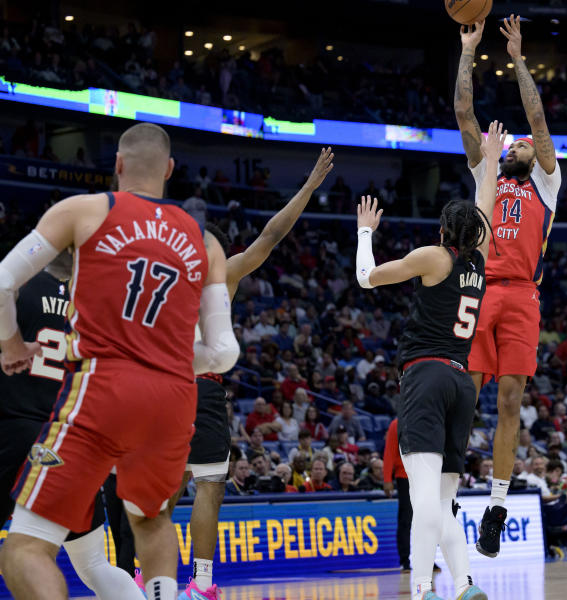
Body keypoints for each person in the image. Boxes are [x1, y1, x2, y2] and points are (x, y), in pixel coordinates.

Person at [0, 122, 239, 600]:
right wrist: (167, 360)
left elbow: (3, 280)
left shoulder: (83, 210)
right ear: (169, 169)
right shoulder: (204, 239)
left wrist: (10, 346)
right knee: (151, 520)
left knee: (25, 549)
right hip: (174, 399)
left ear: (117, 164)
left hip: (103, 387)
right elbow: (223, 352)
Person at [174, 147, 333, 600]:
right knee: (207, 484)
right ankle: (199, 584)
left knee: (162, 490)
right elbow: (272, 234)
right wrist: (308, 187)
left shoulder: (166, 269)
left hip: (161, 387)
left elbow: (271, 233)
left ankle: (155, 578)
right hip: (199, 387)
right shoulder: (225, 274)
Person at [354, 121, 504, 600]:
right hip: (463, 382)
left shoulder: (432, 257)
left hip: (426, 374)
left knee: (423, 499)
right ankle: (462, 584)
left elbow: (366, 278)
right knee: (444, 500)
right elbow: (488, 202)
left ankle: (421, 590)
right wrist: (492, 159)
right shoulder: (479, 260)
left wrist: (364, 231)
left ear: (443, 231)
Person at [455, 17, 563, 557]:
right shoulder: (487, 174)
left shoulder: (546, 179)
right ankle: (451, 492)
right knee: (466, 396)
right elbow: (463, 113)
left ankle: (496, 506)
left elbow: (538, 120)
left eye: (523, 143)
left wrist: (518, 57)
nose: (519, 144)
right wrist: (469, 51)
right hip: (480, 287)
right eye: (514, 143)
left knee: (511, 400)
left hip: (522, 292)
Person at [0, 251, 143, 599]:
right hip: (68, 441)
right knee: (94, 565)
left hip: (12, 430)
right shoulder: (95, 303)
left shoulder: (16, 284)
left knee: (22, 556)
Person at [383, 417, 413, 570]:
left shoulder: (426, 419)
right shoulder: (396, 424)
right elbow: (389, 451)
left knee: (426, 520)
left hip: (425, 475)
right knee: (406, 519)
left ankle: (427, 559)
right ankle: (405, 559)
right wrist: (387, 478)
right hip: (404, 476)